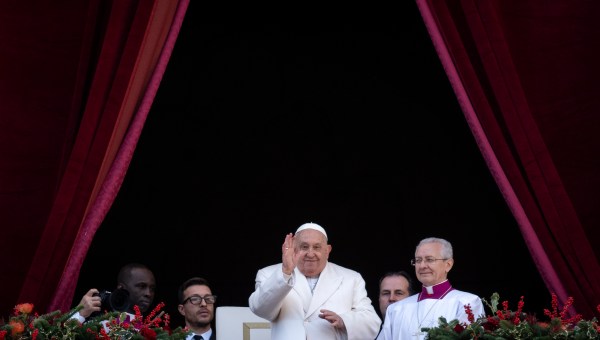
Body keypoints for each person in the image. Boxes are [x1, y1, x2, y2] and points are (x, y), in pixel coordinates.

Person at [248, 222, 381, 340]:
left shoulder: (351, 278)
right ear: (294, 248)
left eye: (317, 247)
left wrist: (344, 321)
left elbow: (372, 322)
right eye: (304, 247)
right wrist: (286, 271)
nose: (310, 254)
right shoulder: (269, 274)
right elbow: (260, 310)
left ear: (327, 250)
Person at [376, 237, 485, 340]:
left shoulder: (467, 303)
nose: (422, 265)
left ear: (448, 264)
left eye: (429, 259)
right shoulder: (396, 309)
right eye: (418, 260)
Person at [72, 262, 157, 323]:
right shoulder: (99, 323)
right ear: (121, 288)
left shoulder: (154, 333)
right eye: (142, 286)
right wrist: (80, 314)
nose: (148, 294)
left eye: (152, 289)